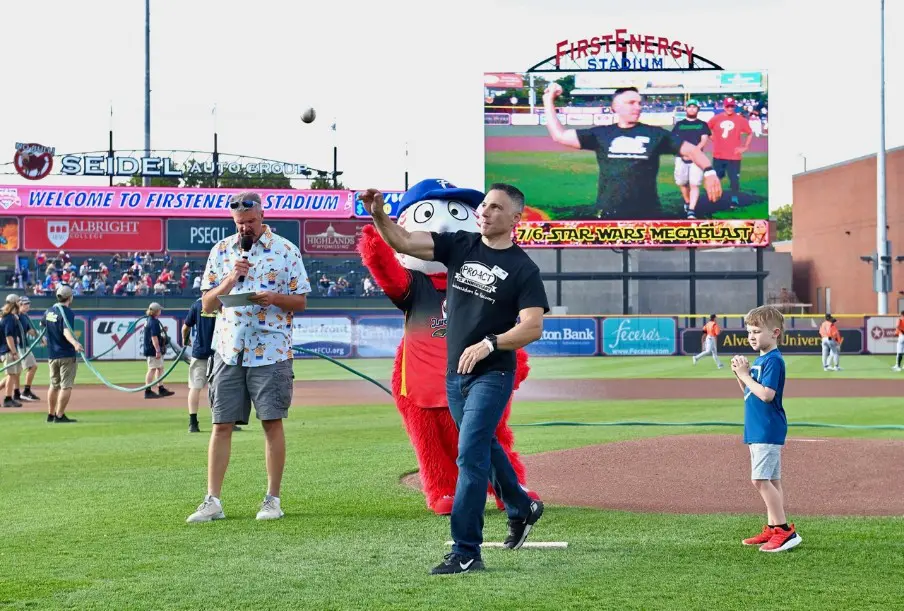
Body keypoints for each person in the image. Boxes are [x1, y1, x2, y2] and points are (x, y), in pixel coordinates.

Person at [361, 183, 549, 575]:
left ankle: (466, 550)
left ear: (515, 219)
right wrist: (379, 214)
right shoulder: (461, 245)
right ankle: (522, 506)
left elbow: (532, 327)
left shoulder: (523, 269)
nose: (484, 212)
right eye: (483, 205)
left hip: (492, 374)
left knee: (470, 454)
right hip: (455, 376)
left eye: (495, 208)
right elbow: (405, 240)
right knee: (486, 448)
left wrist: (491, 343)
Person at [186, 191, 311, 524]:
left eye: (251, 222)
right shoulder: (222, 251)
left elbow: (301, 302)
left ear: (262, 216)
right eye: (241, 223)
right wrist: (231, 278)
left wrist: (274, 297)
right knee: (220, 424)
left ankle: (273, 499)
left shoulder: (286, 250)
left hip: (272, 350)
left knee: (271, 422)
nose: (246, 228)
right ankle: (212, 500)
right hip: (229, 348)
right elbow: (207, 305)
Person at [543, 84, 721, 220]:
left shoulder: (656, 134)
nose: (638, 107)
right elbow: (559, 135)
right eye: (631, 103)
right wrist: (548, 100)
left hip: (648, 212)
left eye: (639, 103)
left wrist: (709, 171)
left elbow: (691, 150)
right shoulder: (601, 134)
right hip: (608, 212)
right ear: (615, 106)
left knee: (647, 264)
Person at [730, 305, 801, 553]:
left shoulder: (773, 360)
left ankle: (784, 531)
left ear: (775, 333)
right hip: (759, 428)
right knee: (772, 479)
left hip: (767, 428)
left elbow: (768, 395)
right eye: (749, 331)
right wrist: (741, 376)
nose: (751, 335)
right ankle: (773, 528)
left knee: (759, 480)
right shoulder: (762, 359)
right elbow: (750, 393)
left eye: (757, 331)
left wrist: (745, 375)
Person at [181, 297, 242, 434]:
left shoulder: (196, 304)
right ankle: (224, 421)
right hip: (219, 352)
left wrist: (185, 340)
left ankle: (193, 423)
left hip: (200, 352)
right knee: (220, 388)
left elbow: (186, 327)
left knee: (195, 388)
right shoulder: (223, 304)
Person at [42, 285, 84, 423]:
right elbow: (66, 332)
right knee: (66, 386)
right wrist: (75, 344)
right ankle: (59, 416)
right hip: (66, 354)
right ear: (70, 297)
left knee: (54, 385)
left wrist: (46, 339)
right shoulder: (67, 312)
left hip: (52, 355)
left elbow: (43, 325)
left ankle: (50, 414)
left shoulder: (49, 311)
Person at [707, 97, 753, 207]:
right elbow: (706, 128)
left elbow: (749, 133)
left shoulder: (741, 120)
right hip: (718, 155)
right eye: (727, 106)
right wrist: (712, 137)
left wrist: (745, 147)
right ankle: (715, 197)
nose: (730, 108)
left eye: (732, 106)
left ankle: (734, 199)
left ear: (735, 107)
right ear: (724, 107)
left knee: (734, 179)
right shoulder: (716, 118)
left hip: (734, 156)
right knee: (717, 178)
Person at [671, 100, 712, 218]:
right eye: (690, 107)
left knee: (694, 184)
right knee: (682, 182)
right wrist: (682, 152)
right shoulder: (679, 124)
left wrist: (693, 152)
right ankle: (687, 202)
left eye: (694, 107)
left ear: (698, 109)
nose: (692, 109)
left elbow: (704, 140)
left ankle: (691, 210)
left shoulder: (702, 124)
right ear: (686, 109)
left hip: (697, 158)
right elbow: (674, 140)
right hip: (681, 157)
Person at [143, 303, 175, 399]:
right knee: (152, 369)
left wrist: (161, 331)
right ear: (156, 311)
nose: (161, 311)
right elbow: (153, 337)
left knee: (160, 368)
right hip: (152, 349)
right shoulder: (154, 322)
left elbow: (152, 333)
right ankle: (148, 391)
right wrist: (157, 350)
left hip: (151, 348)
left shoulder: (149, 320)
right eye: (159, 310)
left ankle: (161, 388)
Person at [15, 296, 40, 402]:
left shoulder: (24, 316)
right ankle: (26, 391)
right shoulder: (15, 316)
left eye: (28, 304)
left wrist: (41, 337)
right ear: (18, 304)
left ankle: (17, 394)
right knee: (33, 366)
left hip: (24, 345)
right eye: (24, 304)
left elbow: (30, 331)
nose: (27, 306)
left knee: (16, 372)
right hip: (20, 346)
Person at [1, 295, 23, 408]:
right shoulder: (9, 318)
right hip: (8, 350)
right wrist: (14, 352)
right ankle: (8, 399)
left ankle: (9, 398)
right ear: (15, 303)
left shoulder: (10, 317)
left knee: (13, 374)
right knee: (11, 374)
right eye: (19, 302)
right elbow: (8, 336)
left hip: (6, 349)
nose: (20, 304)